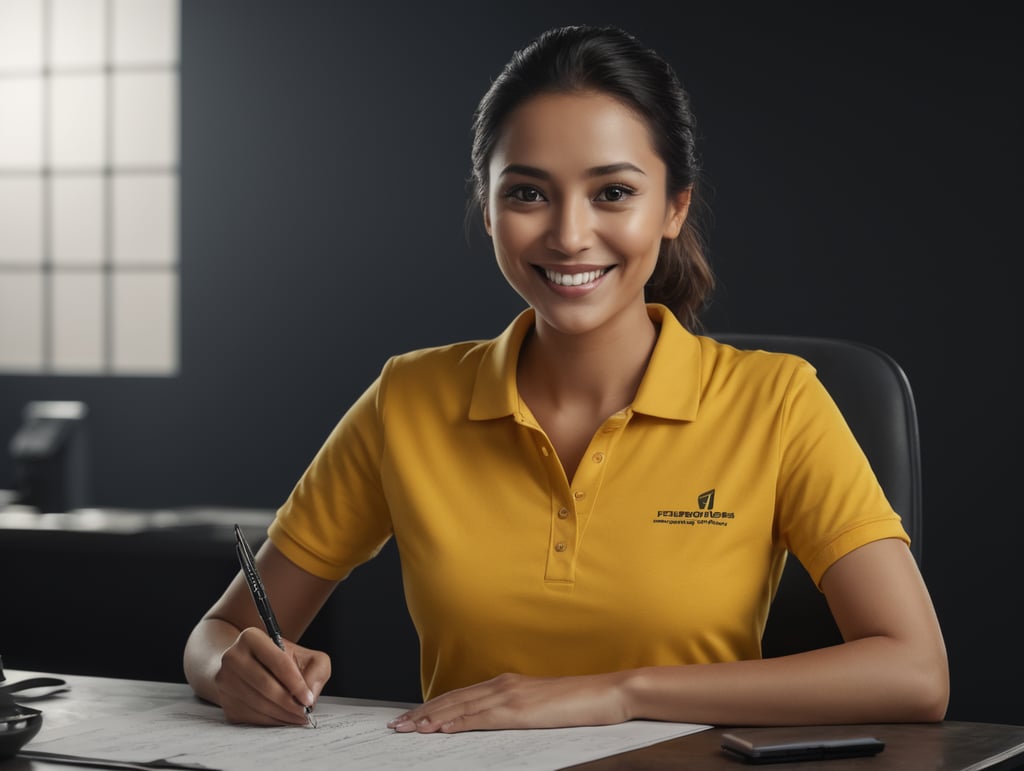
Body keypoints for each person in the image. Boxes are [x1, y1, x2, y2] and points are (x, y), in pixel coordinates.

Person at [183, 24, 948, 732]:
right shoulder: (407, 398)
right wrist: (232, 669)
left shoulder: (778, 400)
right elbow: (219, 630)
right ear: (487, 210)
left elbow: (915, 671)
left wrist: (618, 691)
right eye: (527, 192)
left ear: (674, 208)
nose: (569, 234)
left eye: (613, 192)